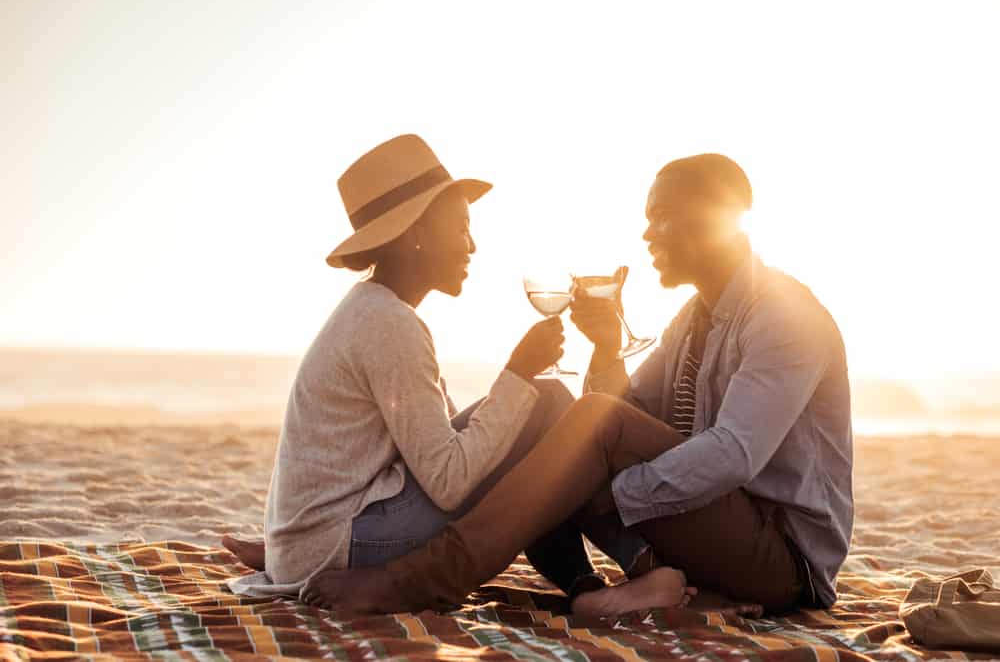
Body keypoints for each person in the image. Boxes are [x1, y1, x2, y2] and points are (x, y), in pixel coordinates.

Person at [296, 153, 854, 617]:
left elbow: (733, 454)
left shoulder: (784, 314)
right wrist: (607, 347)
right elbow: (629, 413)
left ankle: (414, 582)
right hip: (714, 529)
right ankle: (615, 591)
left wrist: (606, 490)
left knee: (580, 431)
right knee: (565, 419)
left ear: (717, 219)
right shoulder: (694, 320)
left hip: (783, 560)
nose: (645, 232)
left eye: (660, 216)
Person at [224, 134, 691, 615]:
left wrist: (521, 391)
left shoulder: (376, 311)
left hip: (323, 537)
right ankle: (640, 568)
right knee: (549, 406)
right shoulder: (388, 324)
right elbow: (449, 480)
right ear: (415, 234)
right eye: (461, 227)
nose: (472, 245)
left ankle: (592, 587)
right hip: (341, 544)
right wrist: (518, 375)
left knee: (542, 418)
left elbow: (447, 448)